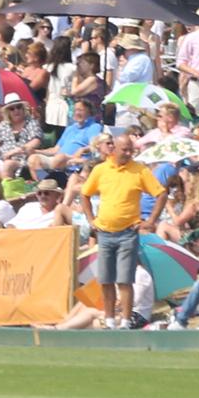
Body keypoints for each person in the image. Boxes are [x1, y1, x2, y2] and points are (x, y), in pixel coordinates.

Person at [75, 130, 165, 327]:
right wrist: (91, 219)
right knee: (106, 280)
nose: (129, 153)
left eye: (131, 150)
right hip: (104, 233)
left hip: (127, 233)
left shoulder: (139, 170)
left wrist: (151, 220)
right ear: (113, 149)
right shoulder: (100, 170)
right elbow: (84, 194)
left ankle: (125, 321)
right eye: (125, 150)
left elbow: (161, 193)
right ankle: (109, 320)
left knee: (125, 279)